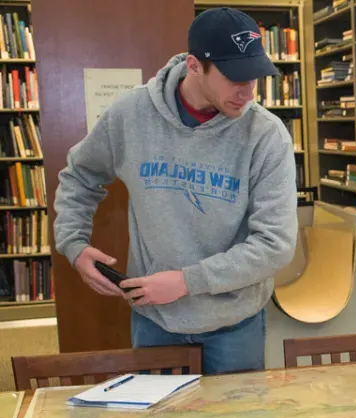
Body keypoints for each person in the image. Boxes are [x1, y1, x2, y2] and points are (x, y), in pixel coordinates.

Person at [53, 7, 298, 375]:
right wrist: (73, 243)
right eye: (235, 78)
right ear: (195, 66)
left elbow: (275, 244)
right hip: (156, 321)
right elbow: (80, 175)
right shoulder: (130, 115)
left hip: (235, 322)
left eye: (256, 77)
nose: (248, 92)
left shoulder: (266, 135)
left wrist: (187, 282)